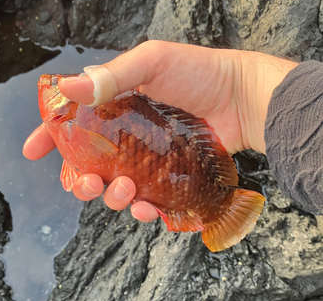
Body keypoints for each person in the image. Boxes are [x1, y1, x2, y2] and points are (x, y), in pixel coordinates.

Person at [23, 40, 323, 219]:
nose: (47, 82)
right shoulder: (73, 121)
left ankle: (218, 204)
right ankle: (212, 203)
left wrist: (242, 88)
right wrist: (242, 89)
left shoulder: (75, 116)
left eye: (53, 84)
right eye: (53, 83)